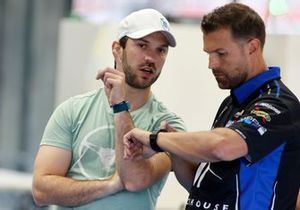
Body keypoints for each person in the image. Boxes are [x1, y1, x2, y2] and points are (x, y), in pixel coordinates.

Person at [123, 3, 300, 210]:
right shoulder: (232, 103)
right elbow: (204, 188)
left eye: (221, 53)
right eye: (209, 54)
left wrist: (155, 140)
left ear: (252, 47)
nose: (212, 64)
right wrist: (175, 152)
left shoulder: (279, 105)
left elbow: (222, 147)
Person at [31, 8, 186, 210]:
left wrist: (120, 107)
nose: (151, 58)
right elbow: (41, 191)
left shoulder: (168, 126)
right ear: (117, 49)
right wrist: (109, 186)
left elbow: (135, 180)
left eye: (161, 50)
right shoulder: (72, 110)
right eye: (142, 45)